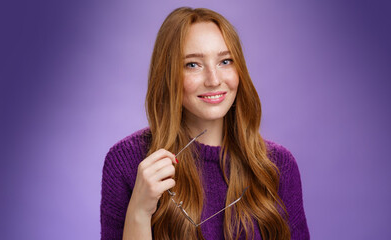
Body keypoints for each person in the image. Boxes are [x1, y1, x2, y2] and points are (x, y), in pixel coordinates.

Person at [101, 7, 309, 240]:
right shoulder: (127, 162)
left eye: (225, 61)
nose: (214, 80)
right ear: (168, 75)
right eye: (193, 64)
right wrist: (139, 212)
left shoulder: (277, 166)